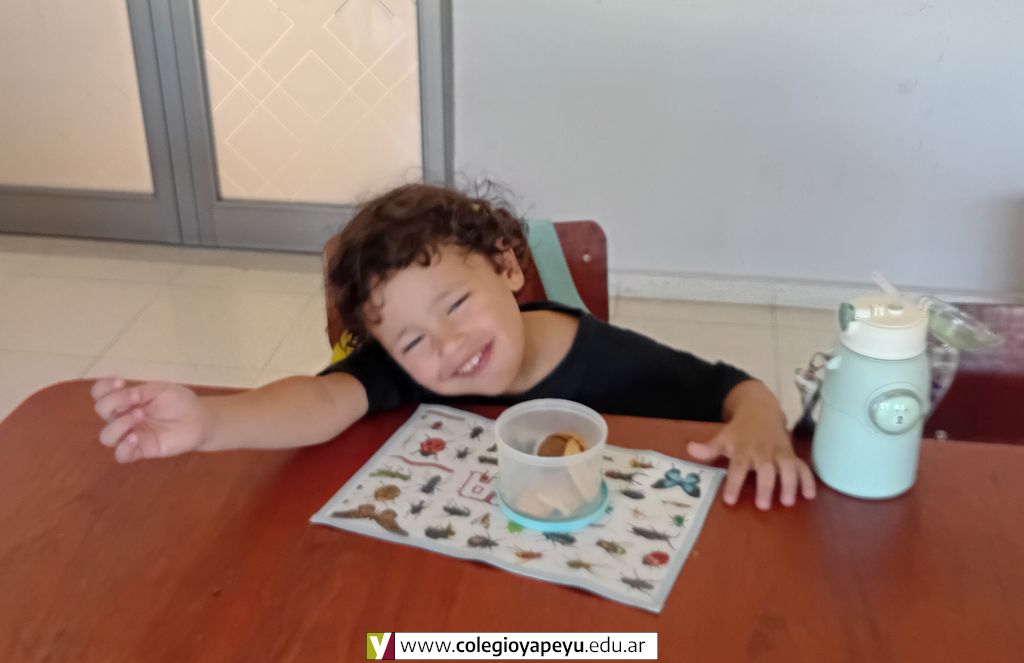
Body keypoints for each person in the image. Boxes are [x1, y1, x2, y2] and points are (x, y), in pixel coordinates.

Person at [91, 183, 816, 510]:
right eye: (411, 339)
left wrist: (759, 421)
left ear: (507, 266)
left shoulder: (606, 358)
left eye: (458, 303)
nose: (447, 345)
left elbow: (730, 388)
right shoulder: (410, 373)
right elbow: (317, 400)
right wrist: (210, 421)